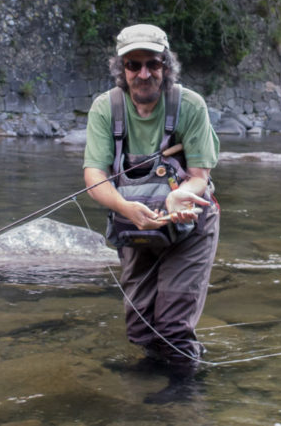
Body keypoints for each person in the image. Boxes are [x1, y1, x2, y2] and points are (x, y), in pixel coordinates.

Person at [83, 24, 220, 371]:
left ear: (166, 66)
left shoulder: (190, 105)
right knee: (141, 329)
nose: (144, 74)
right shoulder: (105, 108)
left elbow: (200, 177)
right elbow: (94, 176)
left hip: (190, 222)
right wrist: (124, 207)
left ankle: (184, 396)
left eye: (153, 64)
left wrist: (179, 199)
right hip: (133, 222)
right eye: (133, 65)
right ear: (121, 68)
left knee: (173, 327)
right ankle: (154, 386)